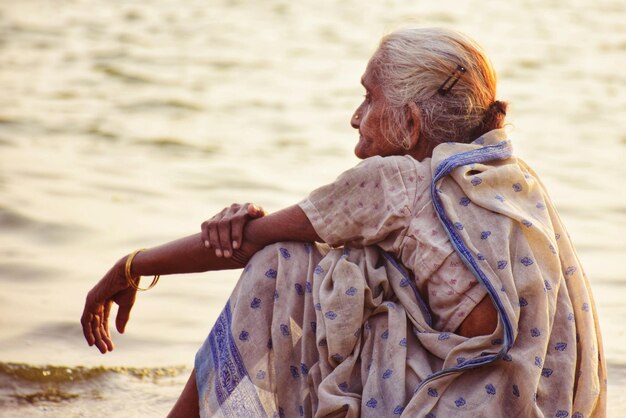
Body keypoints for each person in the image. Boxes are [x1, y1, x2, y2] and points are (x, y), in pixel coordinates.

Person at [81, 27, 606, 417]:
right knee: (350, 263)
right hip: (531, 400)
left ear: (411, 122)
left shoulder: (392, 181)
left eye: (368, 97)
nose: (355, 116)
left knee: (280, 262)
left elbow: (245, 245)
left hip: (455, 399)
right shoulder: (509, 178)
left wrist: (129, 267)